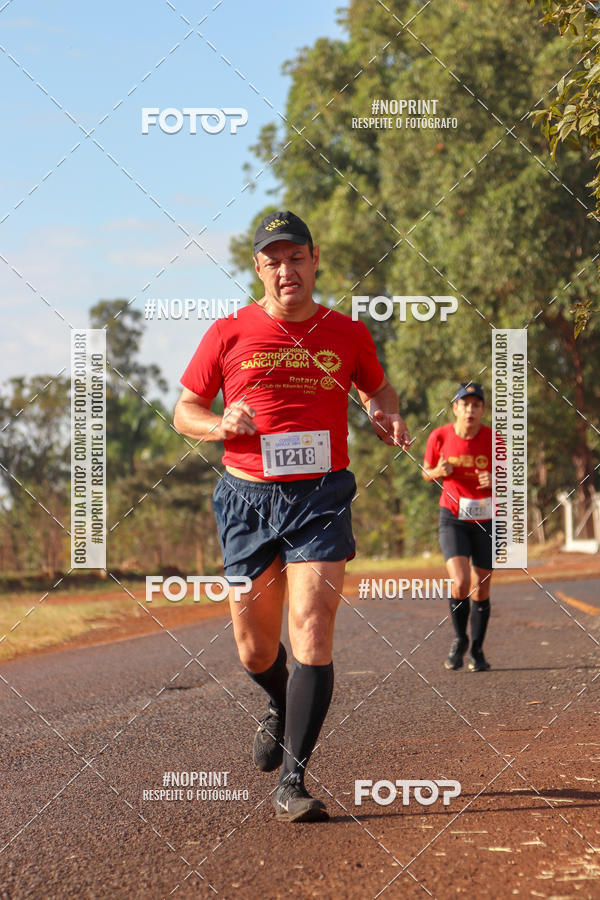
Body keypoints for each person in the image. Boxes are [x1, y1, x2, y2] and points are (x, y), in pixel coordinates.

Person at [174, 210, 411, 822]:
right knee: (254, 649)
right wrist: (218, 423)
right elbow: (185, 410)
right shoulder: (228, 333)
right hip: (247, 498)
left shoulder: (348, 333)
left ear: (314, 259)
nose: (287, 270)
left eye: (296, 257)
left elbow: (376, 389)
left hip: (321, 497)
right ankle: (280, 704)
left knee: (311, 626)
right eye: (273, 260)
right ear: (258, 268)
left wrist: (385, 411)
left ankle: (294, 783)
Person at [422, 383, 493, 673]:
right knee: (461, 581)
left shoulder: (494, 440)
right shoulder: (439, 436)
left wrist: (496, 479)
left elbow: (511, 480)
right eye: (465, 404)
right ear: (455, 408)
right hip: (452, 517)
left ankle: (477, 650)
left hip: (486, 519)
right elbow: (426, 472)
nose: (470, 410)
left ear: (482, 410)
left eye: (476, 405)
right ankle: (460, 639)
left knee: (482, 587)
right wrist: (439, 471)